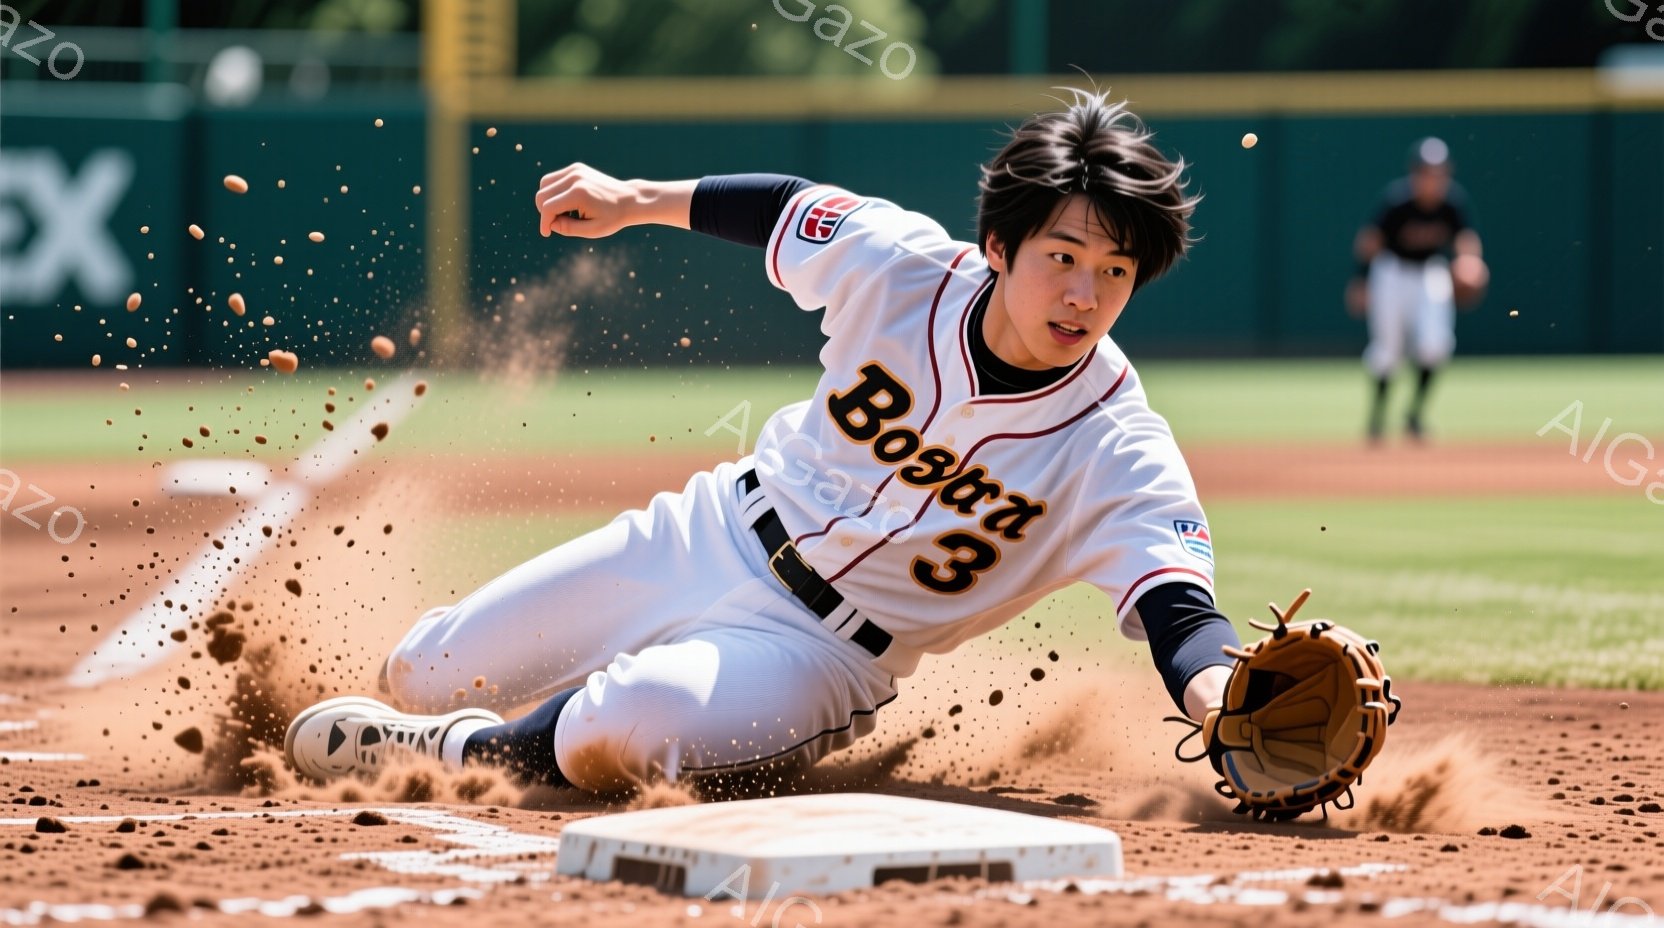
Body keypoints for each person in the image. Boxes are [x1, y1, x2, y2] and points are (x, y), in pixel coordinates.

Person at [284, 89, 1247, 796]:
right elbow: (785, 205)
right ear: (999, 249)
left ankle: (464, 754)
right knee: (422, 671)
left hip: (822, 656)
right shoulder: (905, 267)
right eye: (1063, 258)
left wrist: (1225, 699)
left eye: (1116, 271)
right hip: (709, 534)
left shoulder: (1118, 446)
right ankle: (471, 716)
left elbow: (1180, 613)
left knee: (621, 728)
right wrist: (632, 199)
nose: (1085, 295)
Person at [1347, 136, 1488, 442]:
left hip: (1430, 272)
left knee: (1436, 345)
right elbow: (1369, 242)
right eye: (1427, 172)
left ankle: (1414, 415)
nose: (1434, 178)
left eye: (1439, 172)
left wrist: (1470, 261)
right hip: (1391, 273)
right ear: (1415, 172)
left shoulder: (1452, 201)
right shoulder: (1397, 201)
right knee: (1388, 350)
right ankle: (1377, 419)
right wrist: (1360, 280)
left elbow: (1466, 238)